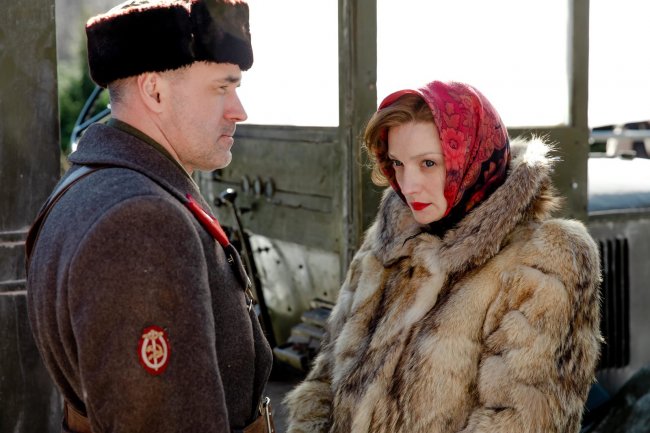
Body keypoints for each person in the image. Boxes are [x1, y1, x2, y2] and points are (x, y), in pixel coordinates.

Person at [285, 81, 602, 433]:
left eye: (428, 163)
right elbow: (326, 376)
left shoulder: (544, 258)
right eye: (398, 163)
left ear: (472, 158)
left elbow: (521, 420)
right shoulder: (388, 242)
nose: (408, 185)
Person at [25, 1, 274, 432]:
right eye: (222, 88)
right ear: (155, 91)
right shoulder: (141, 221)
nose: (239, 110)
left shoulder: (97, 183)